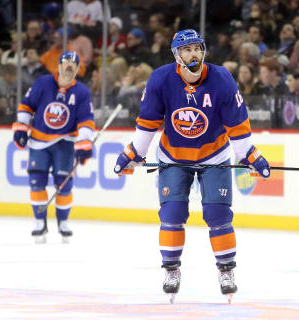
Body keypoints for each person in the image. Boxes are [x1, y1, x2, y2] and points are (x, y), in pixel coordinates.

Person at [113, 29, 270, 302]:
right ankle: (171, 270)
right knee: (172, 214)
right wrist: (132, 152)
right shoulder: (161, 79)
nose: (193, 53)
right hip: (173, 156)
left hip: (215, 156)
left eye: (197, 48)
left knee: (217, 215)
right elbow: (148, 123)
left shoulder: (221, 79)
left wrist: (251, 156)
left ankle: (226, 271)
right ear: (177, 55)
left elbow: (238, 128)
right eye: (187, 50)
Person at [11, 50, 95, 243]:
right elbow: (26, 105)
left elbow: (86, 120)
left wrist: (84, 143)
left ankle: (63, 223)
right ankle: (39, 222)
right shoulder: (42, 83)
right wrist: (21, 128)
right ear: (58, 66)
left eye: (73, 64)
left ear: (77, 69)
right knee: (36, 182)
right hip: (39, 141)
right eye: (65, 62)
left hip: (64, 143)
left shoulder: (81, 91)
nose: (69, 66)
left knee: (64, 185)